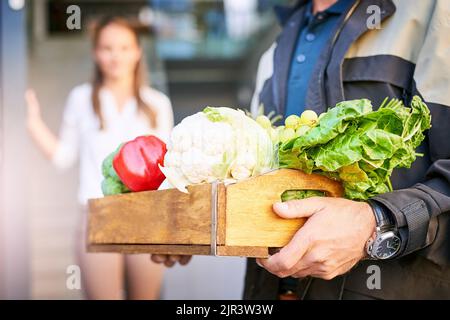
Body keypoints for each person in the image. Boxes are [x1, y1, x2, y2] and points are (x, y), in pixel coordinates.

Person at [153, 0, 450, 300]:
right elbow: (258, 184)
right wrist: (203, 223)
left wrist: (376, 223)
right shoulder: (274, 49)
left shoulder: (429, 13)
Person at [26, 16, 174, 300]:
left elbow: (169, 173)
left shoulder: (158, 104)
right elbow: (62, 158)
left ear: (138, 52)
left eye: (124, 47)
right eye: (107, 48)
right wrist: (32, 123)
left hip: (146, 216)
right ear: (95, 53)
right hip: (96, 215)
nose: (115, 56)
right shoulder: (80, 99)